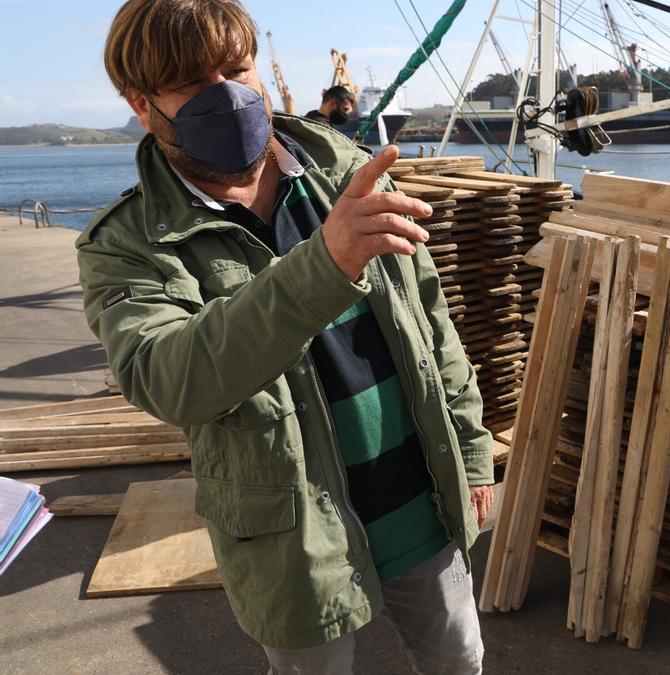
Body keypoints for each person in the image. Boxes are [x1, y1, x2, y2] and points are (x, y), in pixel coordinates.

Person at [81, 2, 492, 672]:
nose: (228, 94)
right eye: (192, 82)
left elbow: (430, 321)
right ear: (140, 102)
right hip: (292, 542)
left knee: (459, 657)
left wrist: (471, 450)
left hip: (419, 500)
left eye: (237, 69)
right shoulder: (128, 244)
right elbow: (167, 377)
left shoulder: (348, 171)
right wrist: (322, 266)